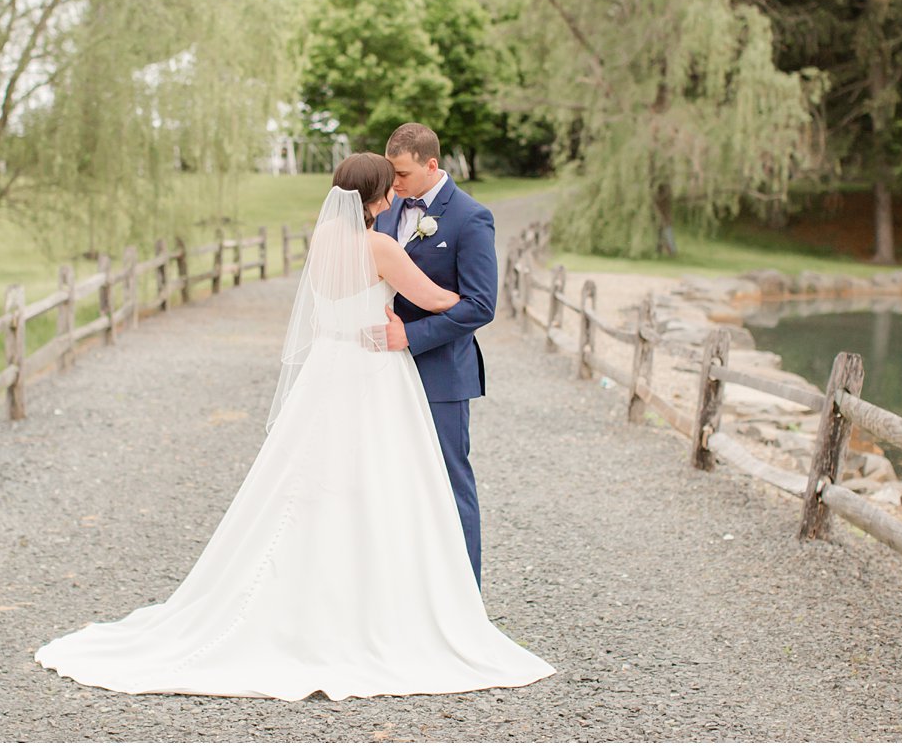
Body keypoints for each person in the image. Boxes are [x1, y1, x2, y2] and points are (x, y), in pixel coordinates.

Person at [34, 152, 553, 701]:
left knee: (311, 486)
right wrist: (433, 307)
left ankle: (306, 597)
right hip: (372, 371)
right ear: (375, 198)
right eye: (388, 188)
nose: (394, 196)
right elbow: (444, 299)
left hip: (326, 371)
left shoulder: (324, 241)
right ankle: (385, 602)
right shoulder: (380, 246)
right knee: (387, 483)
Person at [373, 123, 495, 587]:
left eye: (402, 173)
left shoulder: (470, 217)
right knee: (390, 480)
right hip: (382, 372)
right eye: (389, 172)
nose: (395, 183)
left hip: (441, 373)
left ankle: (464, 597)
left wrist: (413, 337)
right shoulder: (385, 214)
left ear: (431, 165)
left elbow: (481, 305)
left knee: (448, 481)